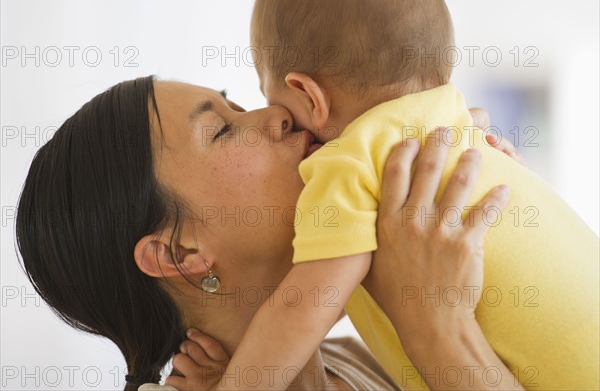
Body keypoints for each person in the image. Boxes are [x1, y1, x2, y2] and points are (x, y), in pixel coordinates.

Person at [168, 0, 600, 390]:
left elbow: (303, 308)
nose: (276, 120)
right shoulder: (451, 123)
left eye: (267, 99)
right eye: (224, 130)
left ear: (308, 96)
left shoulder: (349, 162)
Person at [16, 76, 519, 391]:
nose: (276, 113)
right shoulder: (420, 326)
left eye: (234, 105)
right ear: (180, 252)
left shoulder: (360, 356)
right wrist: (441, 330)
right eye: (223, 130)